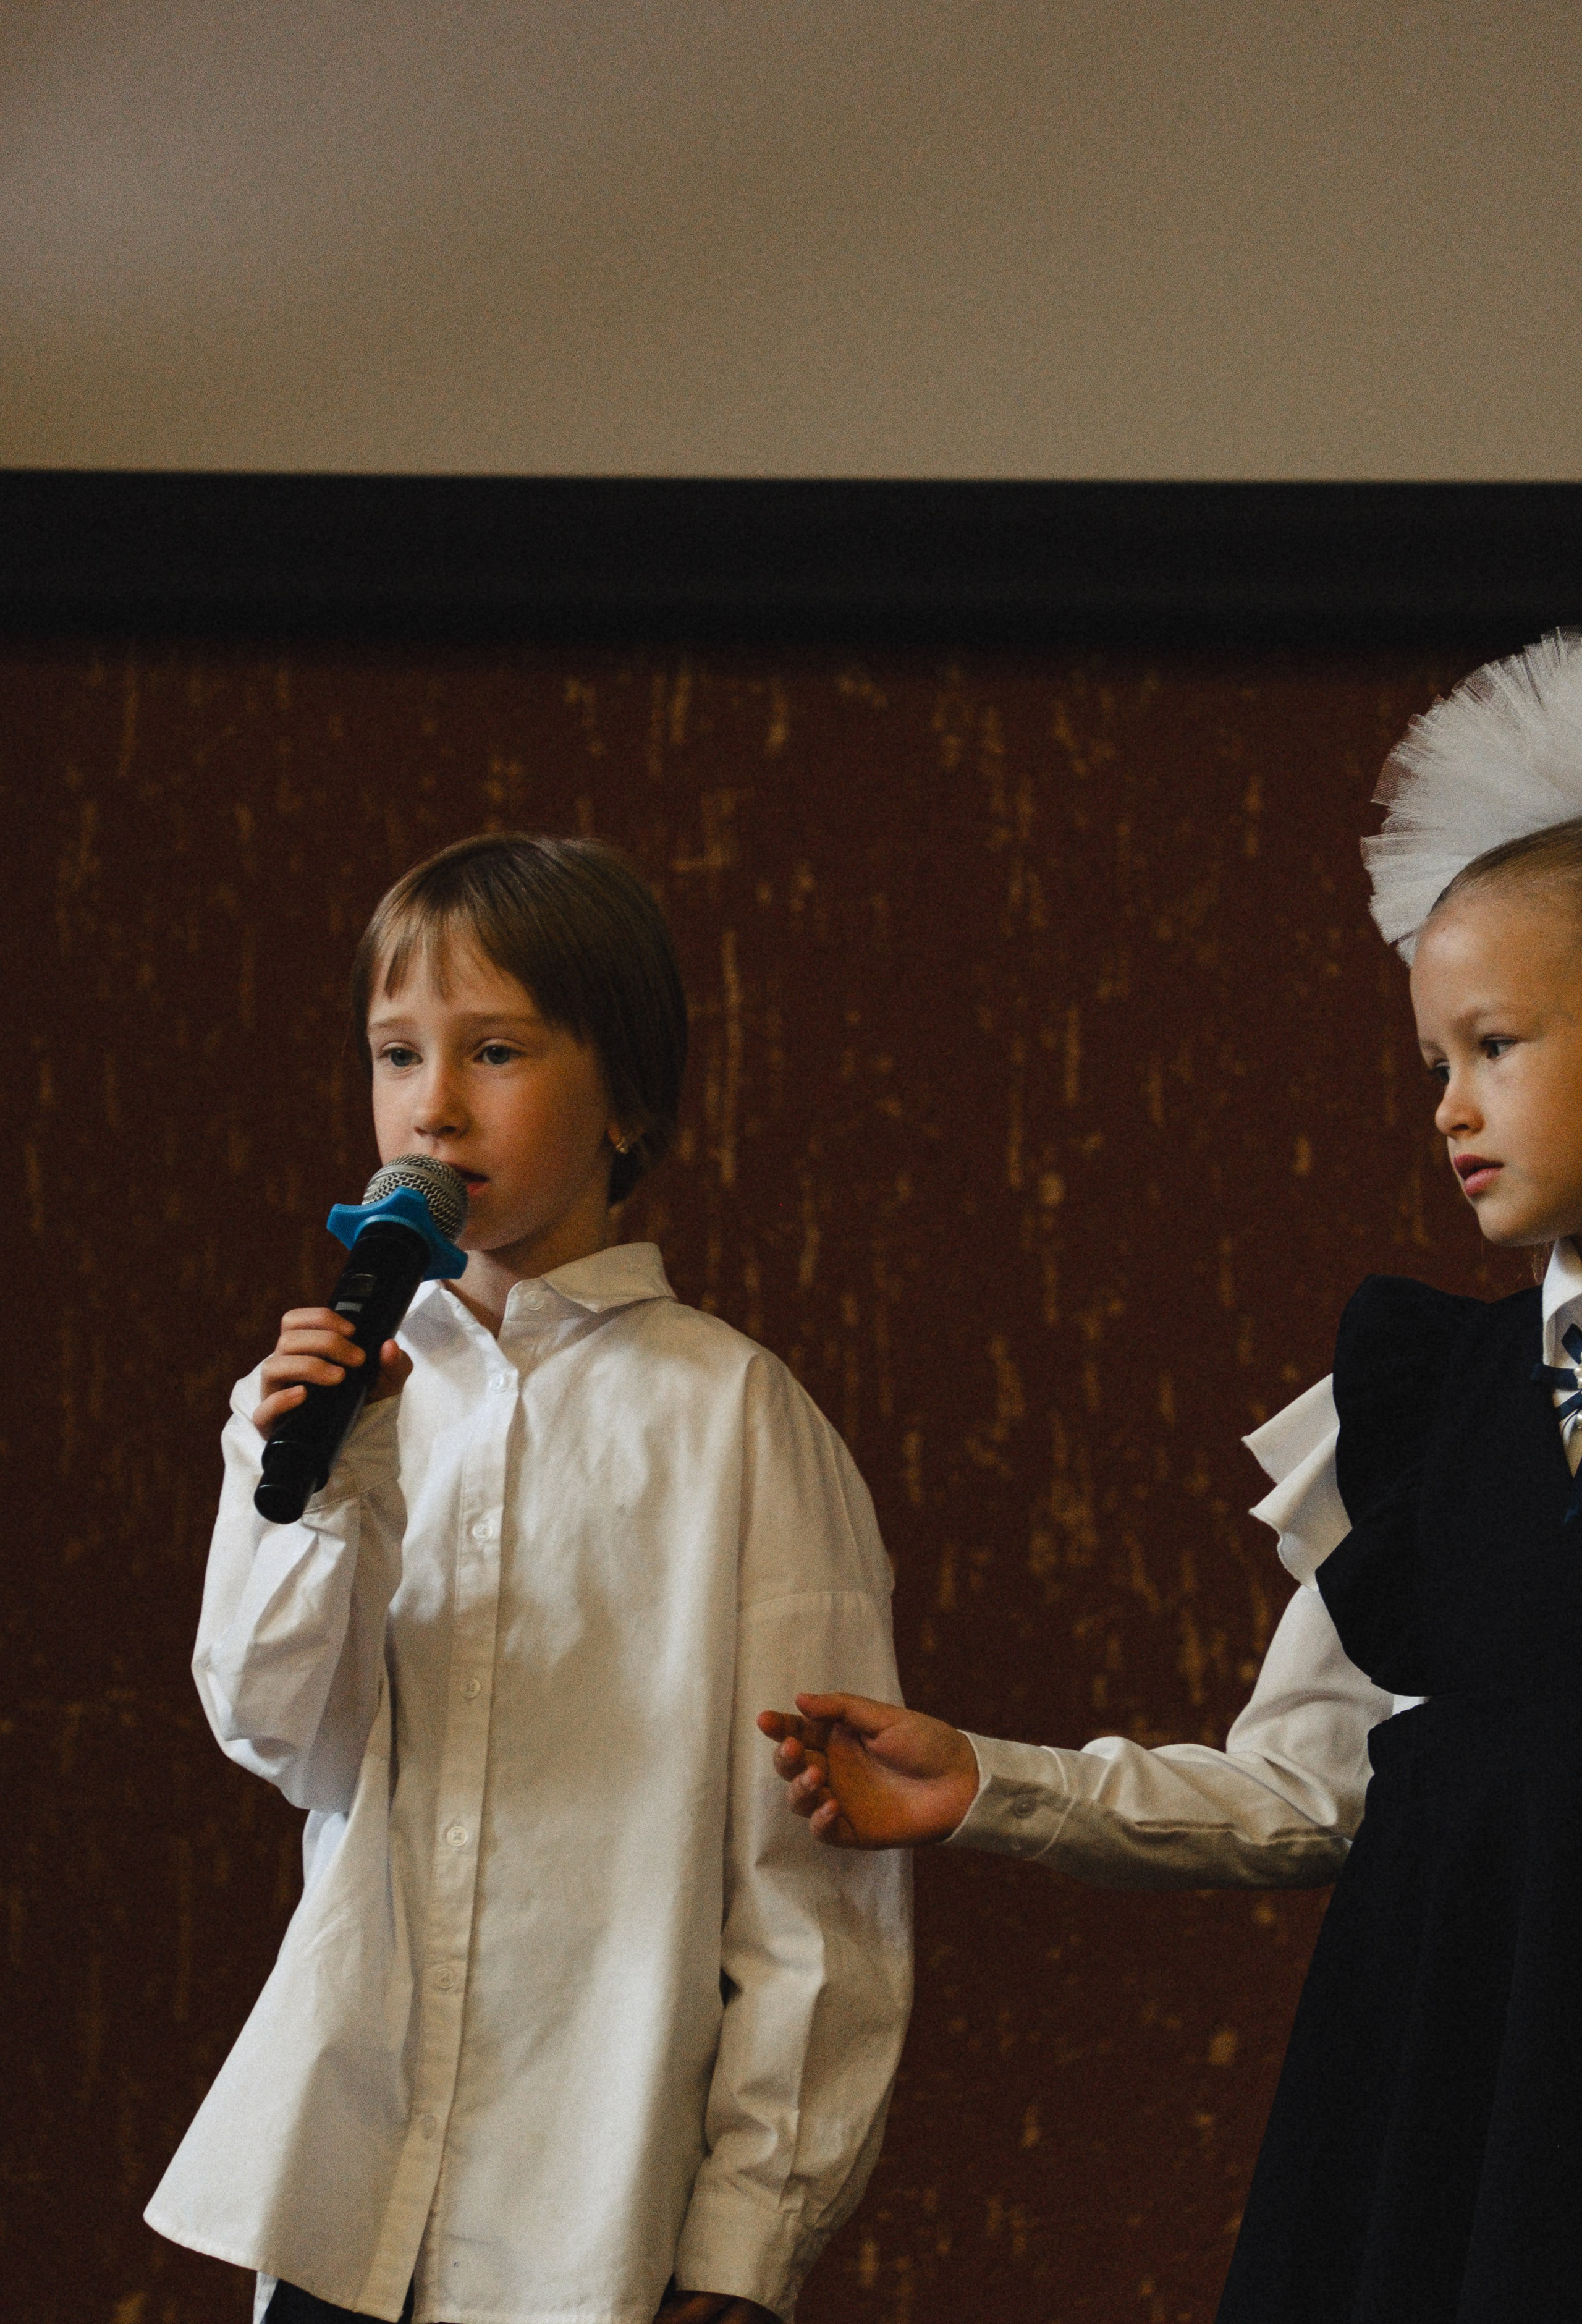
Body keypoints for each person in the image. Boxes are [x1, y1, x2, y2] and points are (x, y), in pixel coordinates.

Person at [760, 632, 1582, 2321]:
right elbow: (1307, 1790)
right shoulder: (1431, 1415)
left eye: (1495, 1046)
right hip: (1464, 2127)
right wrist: (990, 1784)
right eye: (1435, 1062)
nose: (1447, 1110)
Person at [146, 833, 912, 2324]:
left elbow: (814, 1878)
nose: (431, 1104)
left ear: (626, 1096)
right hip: (343, 2199)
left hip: (586, 2219)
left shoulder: (735, 1423)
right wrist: (316, 1494)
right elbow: (280, 1737)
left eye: (493, 1051)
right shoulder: (330, 1401)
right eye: (394, 1054)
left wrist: (752, 2237)